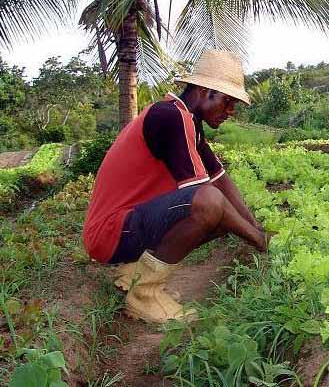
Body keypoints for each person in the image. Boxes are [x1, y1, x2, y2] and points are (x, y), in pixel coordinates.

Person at [83, 49, 268, 323]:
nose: (231, 111)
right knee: (211, 207)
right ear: (206, 92)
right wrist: (258, 240)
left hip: (126, 226)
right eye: (228, 102)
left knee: (223, 216)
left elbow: (220, 179)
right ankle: (145, 294)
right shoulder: (171, 117)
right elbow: (208, 197)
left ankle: (135, 273)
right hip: (111, 232)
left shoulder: (189, 121)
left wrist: (255, 225)